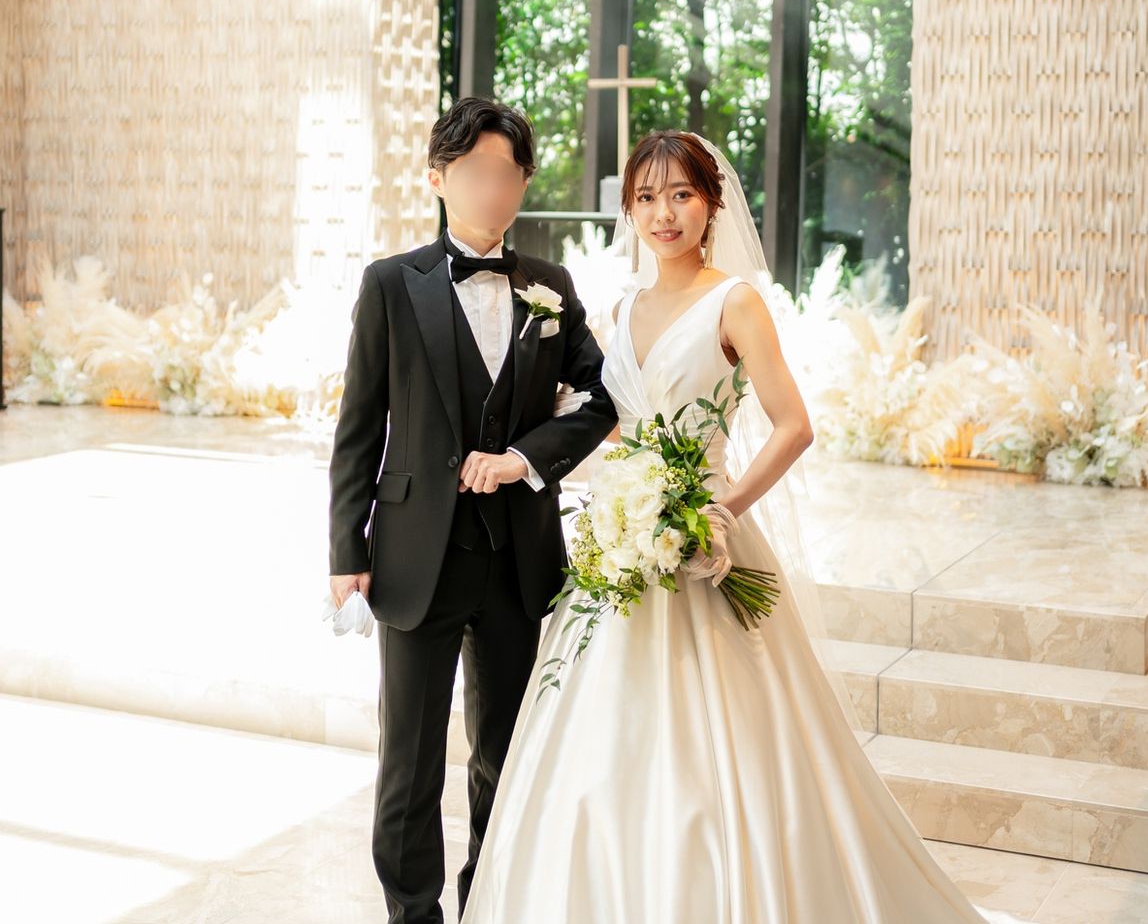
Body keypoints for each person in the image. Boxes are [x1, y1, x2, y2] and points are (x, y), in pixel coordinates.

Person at [461, 131, 1009, 923]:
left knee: (724, 748)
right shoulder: (621, 307)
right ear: (630, 211)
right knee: (599, 744)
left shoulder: (735, 302)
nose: (664, 213)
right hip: (622, 546)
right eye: (646, 198)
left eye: (681, 194)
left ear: (712, 203)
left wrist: (722, 508)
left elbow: (794, 425)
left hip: (706, 543)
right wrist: (549, 460)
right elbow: (616, 420)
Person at [327, 97, 619, 924]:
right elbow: (359, 427)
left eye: (509, 173)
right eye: (477, 171)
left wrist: (526, 458)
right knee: (409, 764)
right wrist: (346, 550)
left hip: (519, 562)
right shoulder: (392, 284)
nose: (495, 188)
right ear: (438, 178)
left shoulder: (551, 288)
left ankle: (488, 904)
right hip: (414, 558)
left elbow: (602, 398)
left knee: (505, 758)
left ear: (524, 183)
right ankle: (412, 915)